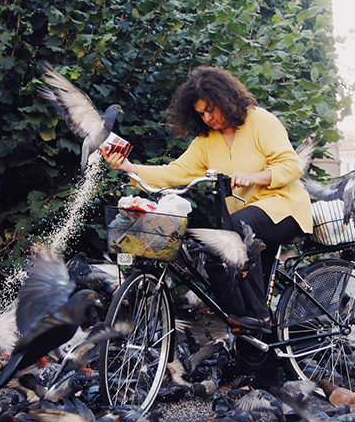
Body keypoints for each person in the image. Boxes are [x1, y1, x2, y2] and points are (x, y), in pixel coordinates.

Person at [102, 66, 312, 329]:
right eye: (201, 113)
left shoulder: (260, 121)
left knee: (234, 228)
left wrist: (253, 176)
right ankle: (247, 332)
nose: (208, 117)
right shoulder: (206, 141)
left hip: (285, 209)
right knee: (212, 248)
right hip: (246, 221)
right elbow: (175, 172)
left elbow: (291, 167)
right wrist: (129, 168)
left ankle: (259, 315)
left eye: (211, 109)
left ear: (227, 98)